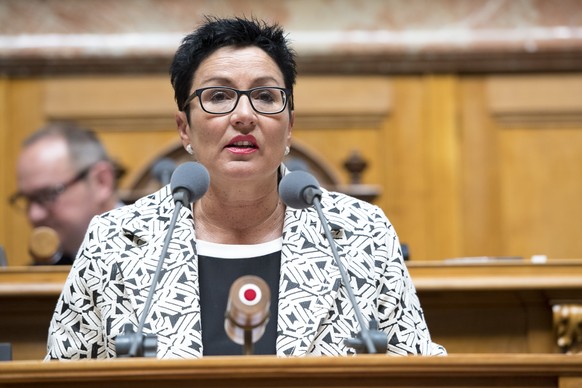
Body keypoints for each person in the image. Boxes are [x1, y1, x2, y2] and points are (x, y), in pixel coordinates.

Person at [46, 16, 446, 359]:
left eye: (265, 96)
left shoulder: (360, 234)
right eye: (218, 96)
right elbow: (62, 375)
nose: (243, 115)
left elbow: (418, 367)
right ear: (184, 128)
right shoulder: (114, 240)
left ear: (289, 126)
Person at [11, 122, 122, 265]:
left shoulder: (155, 250)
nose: (34, 215)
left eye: (48, 194)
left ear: (102, 181)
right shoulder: (38, 275)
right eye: (28, 199)